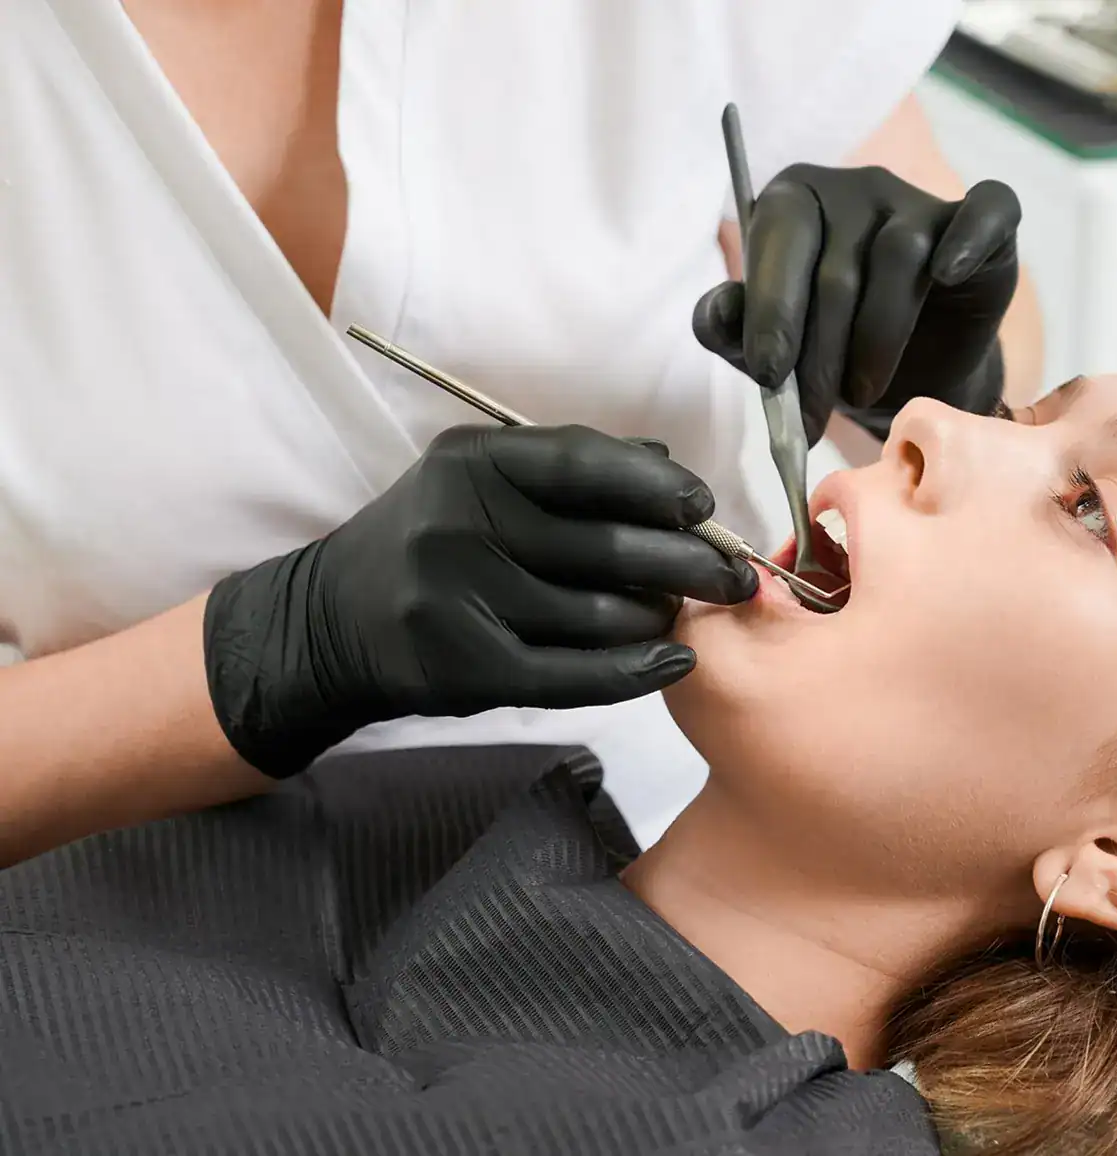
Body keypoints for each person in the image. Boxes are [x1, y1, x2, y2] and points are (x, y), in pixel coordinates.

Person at [4, 350, 1117, 1155]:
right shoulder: (412, 822)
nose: (921, 421)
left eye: (1087, 506)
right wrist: (265, 657)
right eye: (1026, 420)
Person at [1, 0, 1042, 856]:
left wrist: (927, 363)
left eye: (1087, 506)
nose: (894, 476)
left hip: (686, 872)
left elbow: (989, 371)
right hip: (136, 924)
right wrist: (271, 656)